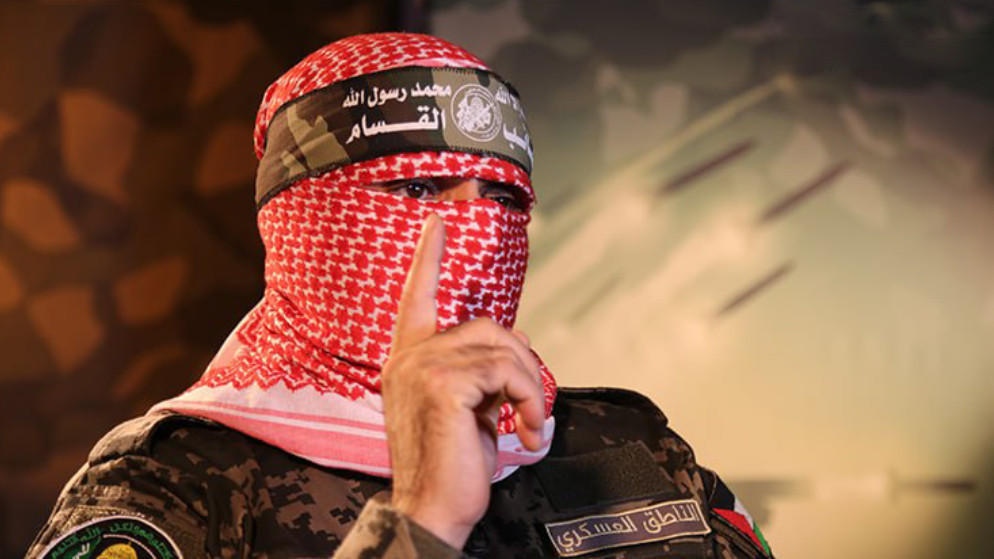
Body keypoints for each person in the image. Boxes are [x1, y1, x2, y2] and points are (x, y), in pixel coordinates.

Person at [26, 33, 774, 558]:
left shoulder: (631, 447)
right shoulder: (176, 487)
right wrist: (419, 523)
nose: (477, 228)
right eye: (418, 189)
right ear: (305, 221)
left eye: (503, 198)